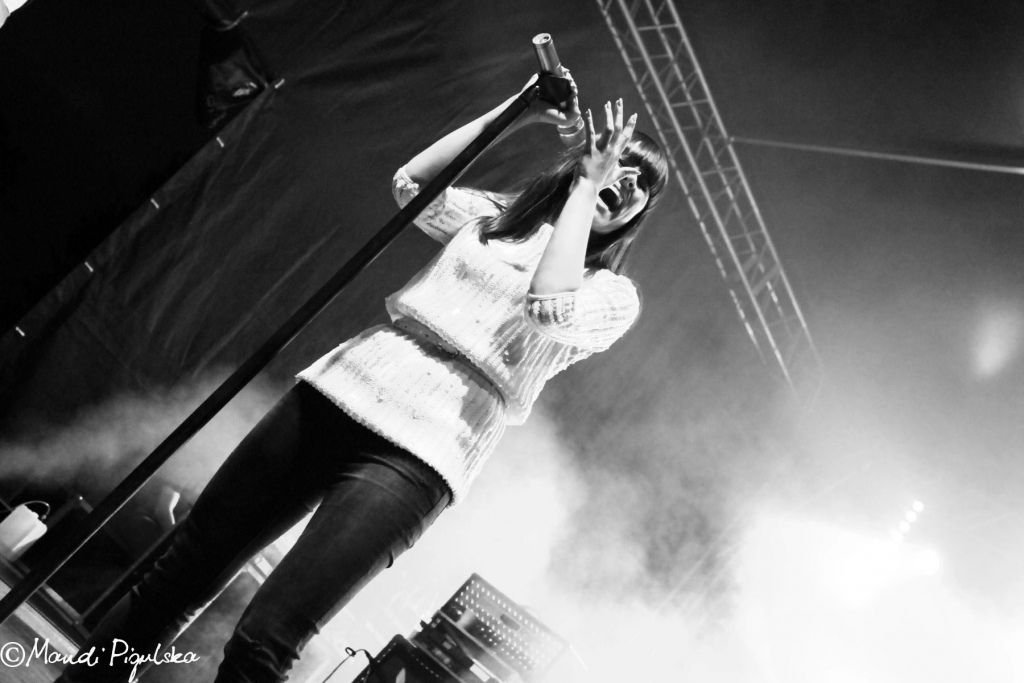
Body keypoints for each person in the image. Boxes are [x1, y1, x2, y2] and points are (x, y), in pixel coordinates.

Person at [56, 74, 668, 682]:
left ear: (640, 212)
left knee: (265, 637)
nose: (627, 182)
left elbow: (547, 305)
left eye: (643, 184)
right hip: (340, 388)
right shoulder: (497, 220)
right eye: (622, 162)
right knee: (182, 570)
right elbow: (412, 186)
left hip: (421, 454)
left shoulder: (612, 296)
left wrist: (588, 186)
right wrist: (518, 109)